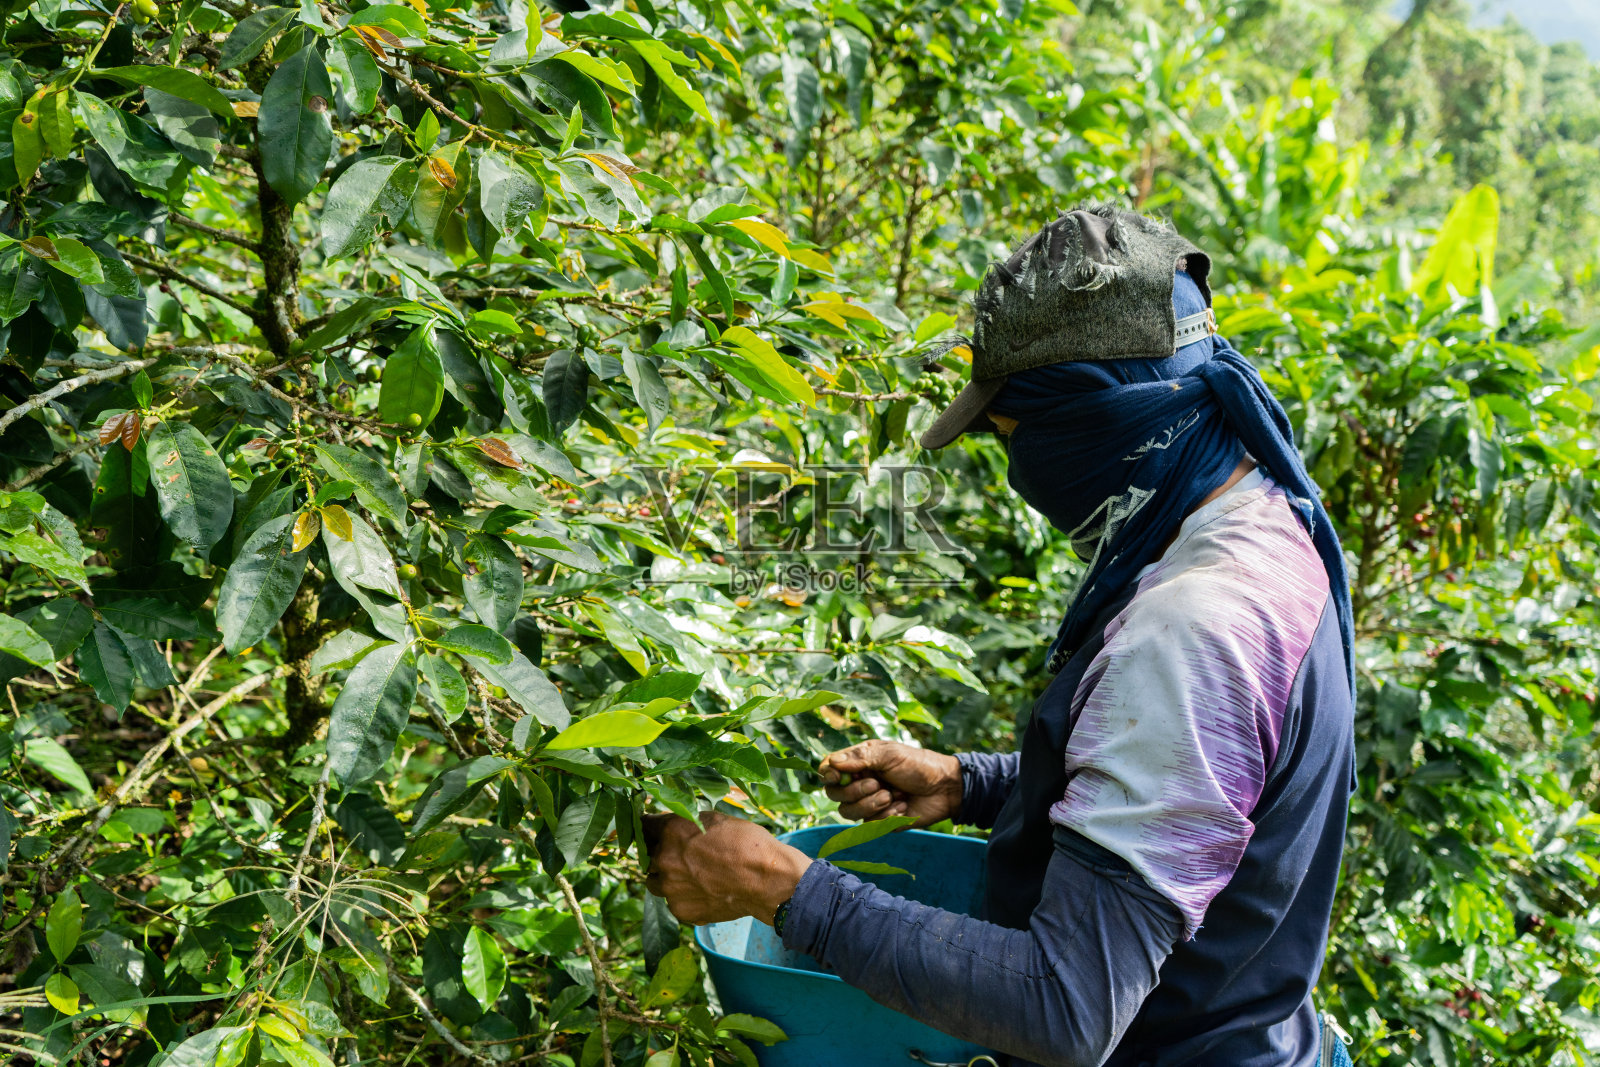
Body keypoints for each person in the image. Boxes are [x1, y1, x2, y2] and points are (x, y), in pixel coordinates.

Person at [645, 205, 1357, 1067]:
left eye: (1017, 440)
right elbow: (1211, 791)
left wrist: (782, 887)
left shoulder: (1193, 631)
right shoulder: (1270, 522)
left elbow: (1068, 1007)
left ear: (1096, 420)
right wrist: (972, 784)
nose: (1024, 477)